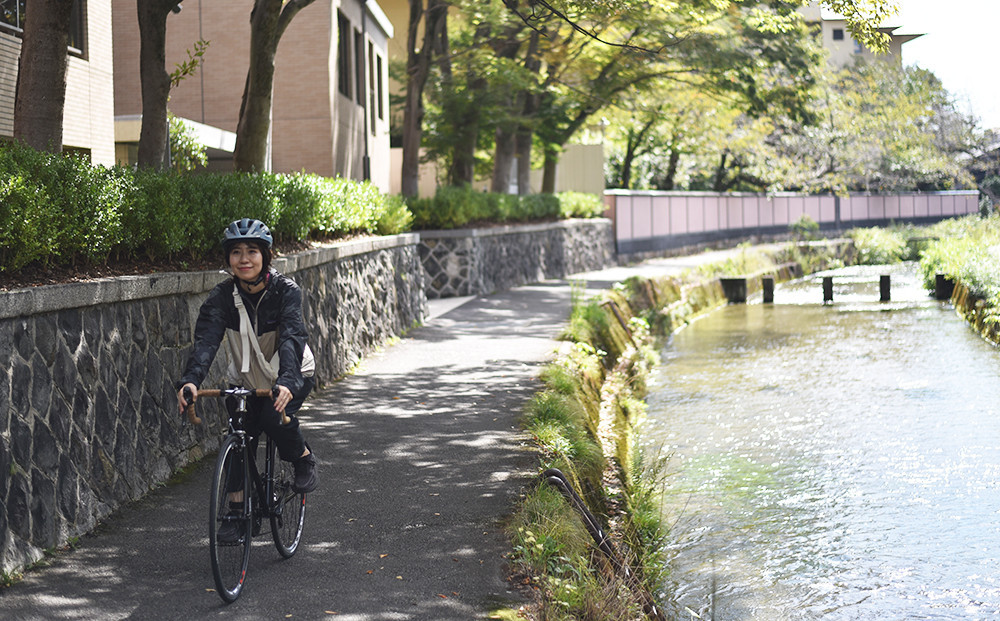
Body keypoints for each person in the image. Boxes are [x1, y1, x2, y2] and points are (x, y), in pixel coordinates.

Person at [177, 218, 318, 503]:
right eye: (236, 252)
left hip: (292, 373)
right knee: (239, 432)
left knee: (272, 417)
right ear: (228, 258)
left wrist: (287, 381)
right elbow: (206, 341)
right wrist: (191, 380)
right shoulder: (221, 297)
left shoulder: (285, 291)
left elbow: (291, 338)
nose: (244, 259)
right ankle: (236, 508)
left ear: (265, 255)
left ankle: (302, 458)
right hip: (247, 379)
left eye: (252, 251)